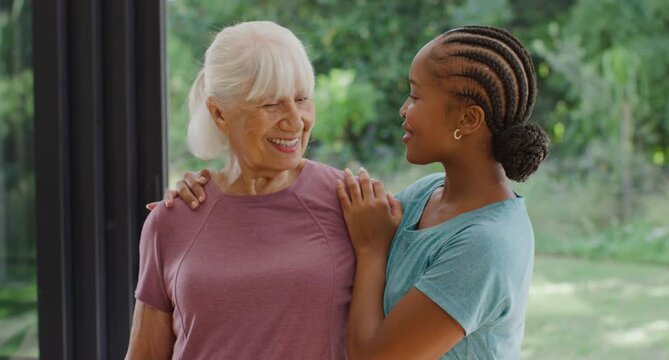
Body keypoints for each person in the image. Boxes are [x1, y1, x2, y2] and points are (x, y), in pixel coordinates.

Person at [167, 25, 548, 359]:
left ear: (467, 119)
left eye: (415, 97)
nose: (403, 109)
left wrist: (372, 250)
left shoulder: (488, 245)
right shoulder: (425, 195)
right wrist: (201, 203)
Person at [126, 21, 355, 360]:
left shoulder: (351, 202)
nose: (295, 121)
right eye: (271, 104)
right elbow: (144, 354)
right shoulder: (171, 220)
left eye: (302, 98)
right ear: (219, 113)